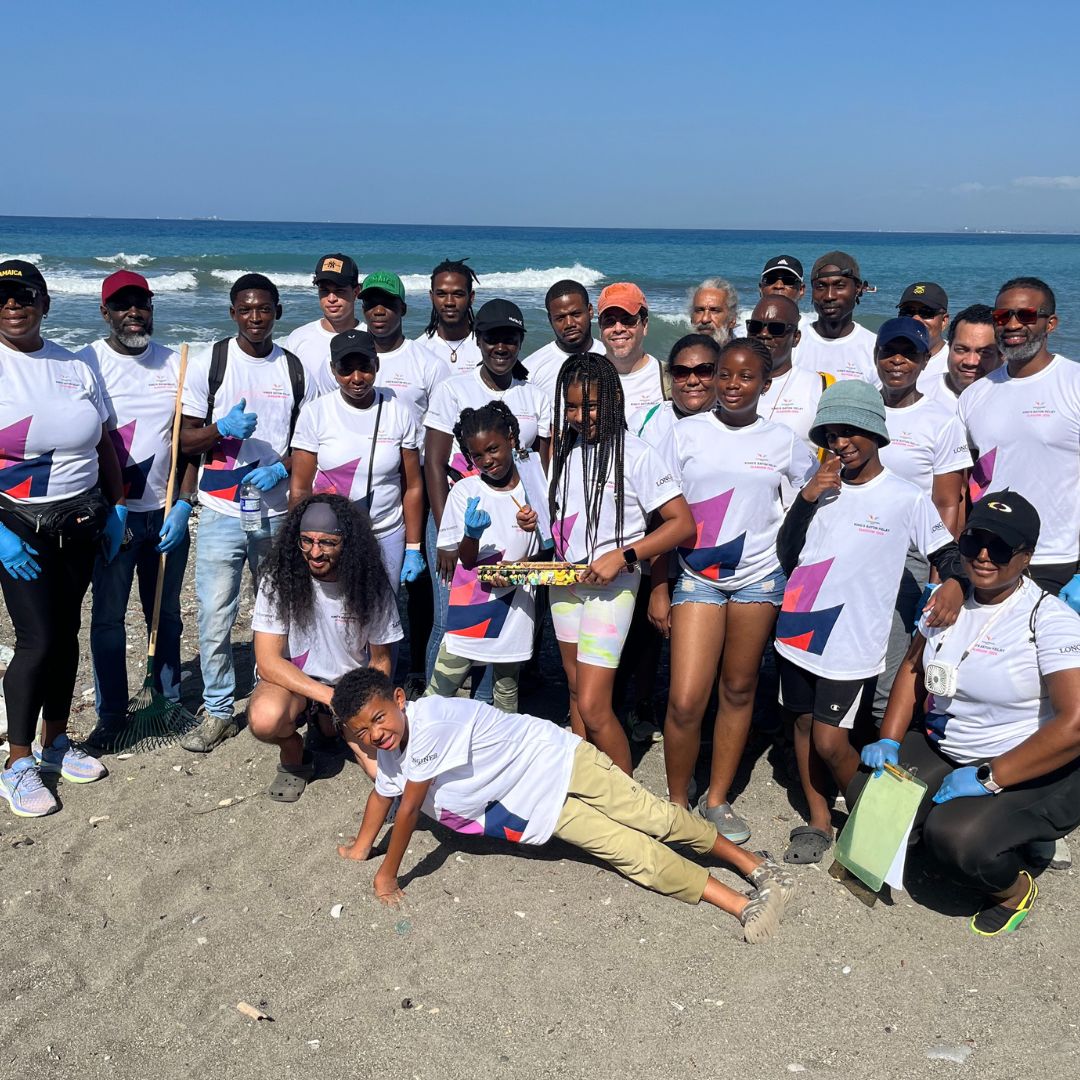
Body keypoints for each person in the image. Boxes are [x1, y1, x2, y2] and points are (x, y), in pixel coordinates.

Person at [332, 668, 797, 944]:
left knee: (652, 817)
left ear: (399, 700)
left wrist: (387, 873)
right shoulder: (391, 749)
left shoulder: (431, 722)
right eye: (362, 731)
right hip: (538, 806)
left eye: (379, 718)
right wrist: (360, 846)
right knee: (631, 853)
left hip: (560, 760)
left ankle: (753, 865)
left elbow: (409, 809)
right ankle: (740, 905)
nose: (375, 734)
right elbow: (384, 793)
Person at [857, 491, 1080, 936]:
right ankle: (981, 831)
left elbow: (1075, 723)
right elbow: (912, 669)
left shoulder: (1048, 619)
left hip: (1024, 765)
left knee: (956, 839)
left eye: (999, 548)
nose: (983, 555)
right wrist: (891, 739)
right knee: (868, 794)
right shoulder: (947, 600)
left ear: (1027, 556)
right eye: (974, 540)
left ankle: (1014, 886)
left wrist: (989, 777)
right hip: (950, 747)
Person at [774, 380, 967, 864]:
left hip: (852, 642)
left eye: (852, 431)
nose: (841, 443)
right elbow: (787, 553)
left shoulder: (904, 497)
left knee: (830, 738)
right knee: (800, 725)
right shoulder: (820, 490)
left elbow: (948, 552)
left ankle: (874, 826)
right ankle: (818, 821)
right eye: (832, 434)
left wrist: (955, 585)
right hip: (797, 630)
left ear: (876, 432)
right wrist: (805, 499)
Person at [654, 338, 817, 842]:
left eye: (745, 377)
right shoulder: (684, 434)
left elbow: (812, 497)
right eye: (724, 374)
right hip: (697, 580)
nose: (731, 384)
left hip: (760, 580)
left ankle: (717, 798)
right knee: (684, 700)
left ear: (765, 385)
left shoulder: (784, 440)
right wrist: (660, 587)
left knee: (740, 689)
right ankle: (677, 801)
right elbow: (661, 513)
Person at [0, 260, 127, 817]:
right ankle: (17, 761)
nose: (13, 305)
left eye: (24, 295)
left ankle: (55, 742)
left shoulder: (74, 364)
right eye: (2, 297)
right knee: (36, 639)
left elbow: (104, 444)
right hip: (16, 525)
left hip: (81, 521)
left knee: (68, 631)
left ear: (44, 303)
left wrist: (117, 508)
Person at [179, 273, 315, 752]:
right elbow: (183, 438)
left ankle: (271, 689)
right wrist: (221, 428)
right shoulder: (210, 363)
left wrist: (282, 468)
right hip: (218, 513)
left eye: (264, 308)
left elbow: (308, 442)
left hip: (276, 515)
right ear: (233, 312)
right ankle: (217, 708)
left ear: (278, 311)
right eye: (245, 309)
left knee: (279, 610)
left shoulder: (295, 370)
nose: (255, 317)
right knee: (216, 615)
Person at [548, 353, 694, 774]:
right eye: (572, 407)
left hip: (613, 589)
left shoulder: (639, 454)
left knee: (595, 705)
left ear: (613, 397)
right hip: (565, 583)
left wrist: (624, 555)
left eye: (590, 406)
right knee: (576, 692)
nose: (580, 416)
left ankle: (626, 802)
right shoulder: (566, 450)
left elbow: (681, 524)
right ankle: (583, 783)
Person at [79, 271, 196, 748]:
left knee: (164, 614)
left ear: (152, 308)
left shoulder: (177, 363)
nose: (133, 313)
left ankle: (165, 700)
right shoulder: (87, 361)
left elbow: (188, 446)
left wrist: (185, 503)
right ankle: (111, 712)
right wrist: (107, 508)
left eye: (141, 304)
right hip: (114, 517)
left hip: (164, 511)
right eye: (121, 305)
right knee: (108, 617)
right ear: (104, 312)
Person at [424, 299, 551, 684]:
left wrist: (542, 532)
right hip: (458, 523)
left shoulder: (536, 396)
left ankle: (488, 714)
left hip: (517, 525)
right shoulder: (453, 389)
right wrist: (448, 535)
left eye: (509, 338)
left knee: (503, 615)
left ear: (520, 341)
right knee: (451, 620)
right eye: (492, 338)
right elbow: (433, 462)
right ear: (478, 340)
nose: (501, 347)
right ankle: (435, 711)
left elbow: (542, 471)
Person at [247, 495, 401, 800]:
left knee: (385, 776)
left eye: (327, 543)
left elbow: (381, 661)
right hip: (295, 682)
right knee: (264, 718)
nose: (315, 553)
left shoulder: (372, 583)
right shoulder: (278, 579)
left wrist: (360, 706)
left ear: (348, 543)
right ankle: (294, 749)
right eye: (306, 541)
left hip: (350, 683)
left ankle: (329, 726)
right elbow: (267, 662)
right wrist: (331, 698)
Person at [873, 316, 972, 720]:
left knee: (892, 665)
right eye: (890, 351)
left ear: (925, 360)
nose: (898, 361)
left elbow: (948, 502)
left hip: (908, 557)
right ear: (876, 355)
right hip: (854, 547)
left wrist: (940, 574)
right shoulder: (859, 405)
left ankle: (879, 758)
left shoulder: (941, 421)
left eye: (909, 353)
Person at [958, 277, 1080, 598]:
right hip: (987, 556)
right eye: (1002, 316)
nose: (1012, 324)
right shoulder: (976, 395)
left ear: (1050, 323)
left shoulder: (1073, 383)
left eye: (1025, 315)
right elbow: (964, 480)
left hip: (1058, 560)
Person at [428, 402, 550, 712]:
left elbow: (549, 549)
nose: (486, 461)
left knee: (507, 691)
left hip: (517, 607)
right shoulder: (465, 491)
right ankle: (417, 746)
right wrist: (471, 533)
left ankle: (499, 752)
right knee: (441, 688)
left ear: (511, 438)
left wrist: (537, 529)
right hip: (472, 605)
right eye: (477, 456)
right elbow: (466, 561)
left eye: (492, 449)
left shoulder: (536, 485)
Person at [289, 329, 425, 593]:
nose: (357, 378)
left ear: (377, 364)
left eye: (365, 368)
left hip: (386, 534)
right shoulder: (315, 413)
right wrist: (299, 542)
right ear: (332, 369)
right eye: (345, 370)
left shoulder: (399, 412)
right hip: (330, 538)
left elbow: (413, 487)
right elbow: (300, 487)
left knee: (380, 621)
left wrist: (413, 547)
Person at [360, 271, 449, 429]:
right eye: (371, 303)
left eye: (387, 303)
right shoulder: (347, 363)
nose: (378, 311)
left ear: (403, 309)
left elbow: (441, 427)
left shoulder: (430, 365)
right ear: (363, 309)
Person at [749, 295, 828, 462]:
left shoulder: (820, 386)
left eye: (776, 328)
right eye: (755, 327)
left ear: (796, 337)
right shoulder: (725, 384)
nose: (764, 334)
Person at [792, 252, 880, 387]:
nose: (829, 296)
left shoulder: (874, 348)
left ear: (857, 288)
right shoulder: (794, 343)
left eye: (839, 286)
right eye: (820, 286)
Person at [284, 254, 364, 396]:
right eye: (325, 291)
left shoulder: (369, 337)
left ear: (356, 292)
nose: (331, 299)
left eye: (339, 291)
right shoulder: (298, 338)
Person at [629, 334, 720, 450]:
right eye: (681, 372)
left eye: (704, 371)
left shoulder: (735, 424)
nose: (692, 381)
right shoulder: (643, 421)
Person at [597, 283, 668, 421]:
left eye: (628, 320)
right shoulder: (586, 378)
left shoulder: (669, 379)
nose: (618, 328)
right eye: (609, 321)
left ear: (645, 325)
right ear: (600, 328)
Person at [522, 280, 601, 403]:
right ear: (550, 319)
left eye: (576, 314)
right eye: (560, 318)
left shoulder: (612, 359)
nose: (569, 324)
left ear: (590, 311)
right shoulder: (530, 369)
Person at [918, 304, 1002, 411]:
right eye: (961, 350)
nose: (971, 362)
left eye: (984, 352)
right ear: (949, 347)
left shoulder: (1014, 400)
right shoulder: (920, 394)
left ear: (1002, 355)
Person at [416, 258, 483, 372]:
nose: (449, 302)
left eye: (458, 294)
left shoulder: (487, 349)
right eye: (441, 294)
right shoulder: (419, 350)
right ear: (432, 297)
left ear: (471, 297)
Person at [897, 281, 949, 383]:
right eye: (908, 312)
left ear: (944, 321)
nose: (916, 319)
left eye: (926, 313)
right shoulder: (887, 357)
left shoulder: (955, 362)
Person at [688, 278, 739, 345]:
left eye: (714, 311)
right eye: (700, 310)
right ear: (691, 318)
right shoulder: (680, 353)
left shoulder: (744, 354)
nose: (705, 319)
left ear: (732, 319)